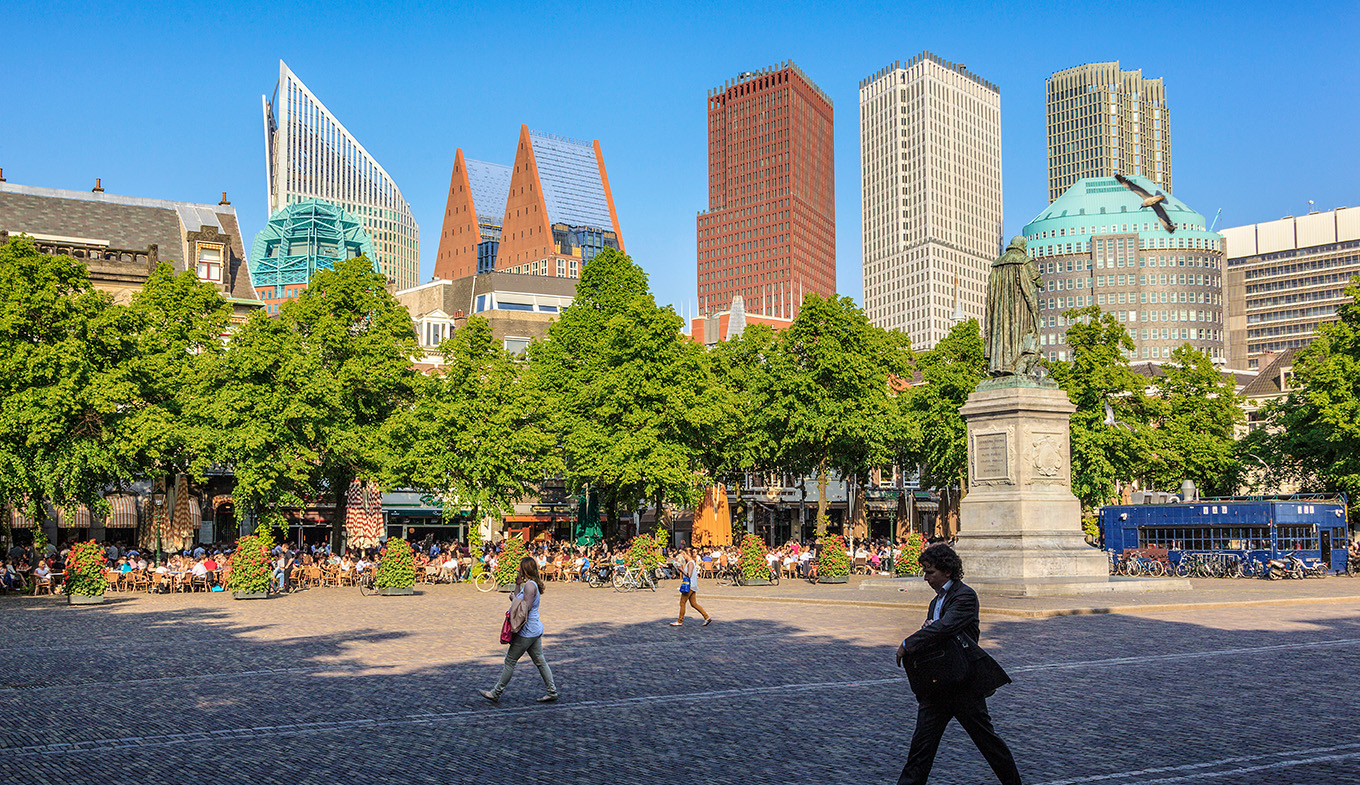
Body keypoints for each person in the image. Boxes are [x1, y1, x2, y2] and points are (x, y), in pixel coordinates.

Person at [894, 544, 1020, 785]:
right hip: (937, 685)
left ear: (947, 572)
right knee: (921, 748)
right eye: (925, 571)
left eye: (930, 572)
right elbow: (933, 632)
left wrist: (908, 643)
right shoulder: (936, 601)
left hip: (963, 684)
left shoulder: (964, 596)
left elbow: (945, 627)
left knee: (988, 743)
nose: (926, 577)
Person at [480, 556, 558, 704]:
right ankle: (552, 691)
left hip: (527, 631)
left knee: (510, 660)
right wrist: (517, 585)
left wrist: (512, 600)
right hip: (534, 630)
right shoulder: (528, 584)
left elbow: (525, 608)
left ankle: (496, 692)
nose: (518, 569)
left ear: (525, 568)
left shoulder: (530, 586)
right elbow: (519, 599)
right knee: (540, 661)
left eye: (520, 567)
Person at [670, 548, 711, 627]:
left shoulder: (690, 563)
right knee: (694, 604)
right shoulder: (689, 562)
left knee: (682, 603)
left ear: (686, 554)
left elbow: (689, 575)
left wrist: (680, 569)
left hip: (690, 586)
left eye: (682, 554)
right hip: (693, 586)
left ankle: (680, 620)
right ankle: (707, 617)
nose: (682, 557)